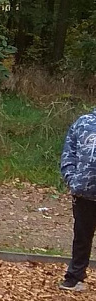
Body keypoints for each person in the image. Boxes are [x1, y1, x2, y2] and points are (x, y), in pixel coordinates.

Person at [59, 106, 96, 291]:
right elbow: (69, 153)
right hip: (84, 192)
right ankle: (74, 277)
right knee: (82, 237)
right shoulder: (83, 123)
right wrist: (72, 180)